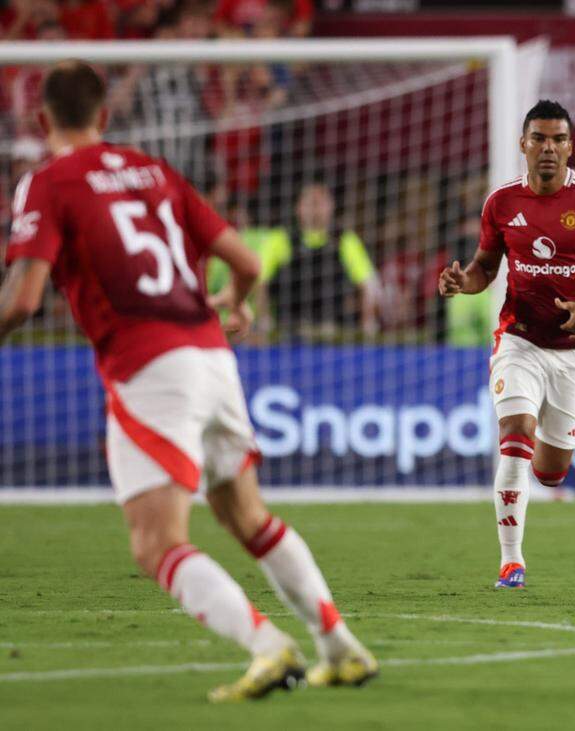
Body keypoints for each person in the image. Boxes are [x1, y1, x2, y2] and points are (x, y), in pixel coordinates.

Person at [0, 61, 376, 701]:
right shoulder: (156, 171)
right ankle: (341, 647)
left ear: (42, 121)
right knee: (247, 516)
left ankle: (267, 646)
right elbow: (248, 262)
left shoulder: (47, 183)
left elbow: (22, 301)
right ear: (105, 117)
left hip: (150, 368)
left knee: (156, 544)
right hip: (213, 356)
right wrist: (237, 299)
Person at [437, 100, 575, 589]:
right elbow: (484, 269)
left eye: (557, 139)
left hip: (574, 351)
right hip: (519, 340)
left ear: (570, 147)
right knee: (515, 435)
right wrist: (460, 282)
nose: (548, 148)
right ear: (523, 144)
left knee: (550, 473)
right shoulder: (502, 202)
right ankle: (512, 562)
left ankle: (535, 491)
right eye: (539, 139)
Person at [264, 183, 380, 335]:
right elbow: (259, 282)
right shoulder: (280, 238)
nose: (316, 208)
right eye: (310, 202)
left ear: (331, 207)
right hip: (290, 330)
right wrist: (265, 319)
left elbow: (369, 285)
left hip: (332, 331)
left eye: (321, 202)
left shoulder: (345, 240)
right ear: (298, 207)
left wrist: (367, 323)